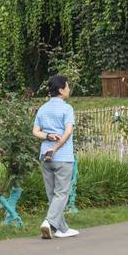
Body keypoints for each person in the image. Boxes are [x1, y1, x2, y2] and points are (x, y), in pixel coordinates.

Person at [32, 75, 79, 239]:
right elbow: (68, 131)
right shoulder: (67, 109)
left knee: (52, 194)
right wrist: (56, 147)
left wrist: (47, 137)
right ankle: (49, 222)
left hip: (45, 156)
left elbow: (35, 132)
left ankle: (62, 229)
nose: (69, 89)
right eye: (67, 86)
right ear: (60, 90)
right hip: (62, 157)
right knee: (62, 193)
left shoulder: (43, 109)